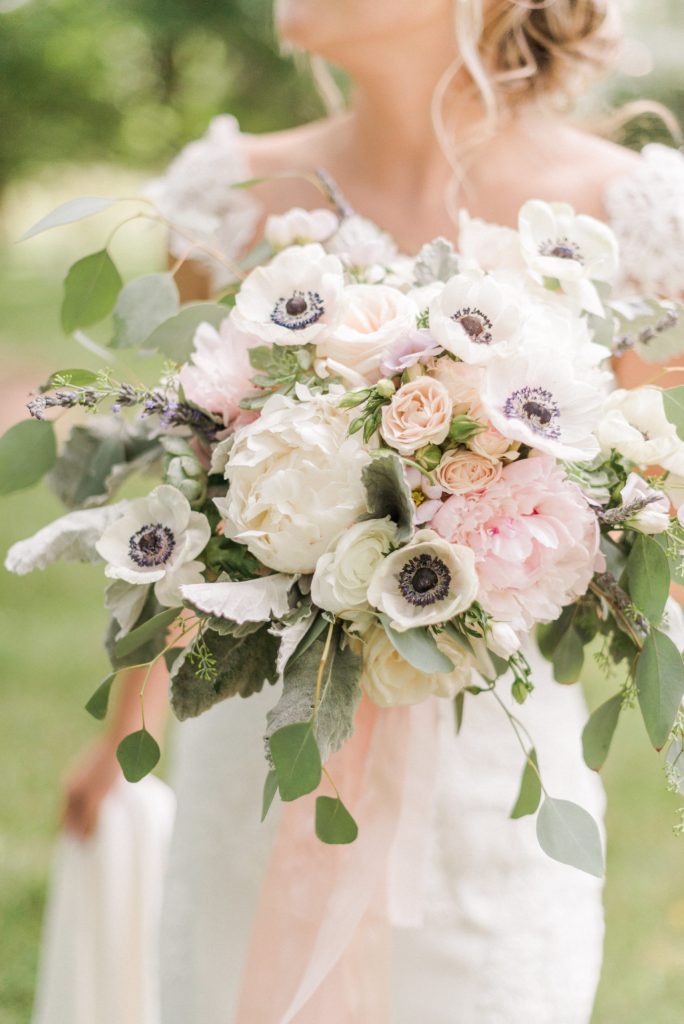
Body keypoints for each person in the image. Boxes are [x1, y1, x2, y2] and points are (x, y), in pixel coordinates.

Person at [60, 1, 684, 1021]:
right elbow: (189, 502)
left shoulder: (633, 217)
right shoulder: (227, 198)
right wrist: (119, 736)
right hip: (262, 752)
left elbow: (649, 486)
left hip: (491, 775)